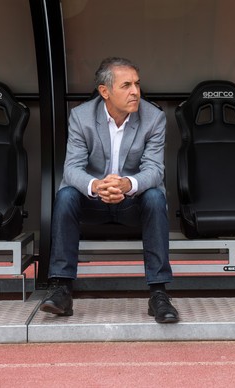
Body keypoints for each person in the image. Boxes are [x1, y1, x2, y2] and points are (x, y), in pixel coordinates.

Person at [39, 57, 179, 323]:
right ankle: (61, 289)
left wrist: (128, 185)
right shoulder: (82, 117)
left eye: (137, 84)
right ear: (105, 91)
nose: (135, 91)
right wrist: (97, 186)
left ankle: (159, 294)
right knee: (67, 194)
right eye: (126, 85)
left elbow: (154, 169)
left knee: (154, 195)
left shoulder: (154, 118)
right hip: (93, 202)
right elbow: (72, 168)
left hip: (132, 205)